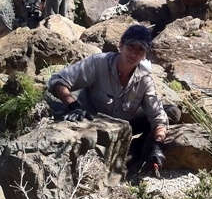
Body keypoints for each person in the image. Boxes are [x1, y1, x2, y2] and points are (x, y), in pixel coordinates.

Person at [48, 24, 181, 172]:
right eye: (131, 47)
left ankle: (135, 151)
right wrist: (73, 106)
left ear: (145, 55)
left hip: (125, 124)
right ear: (120, 45)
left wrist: (157, 144)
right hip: (93, 123)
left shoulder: (144, 80)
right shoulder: (98, 63)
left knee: (172, 113)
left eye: (140, 50)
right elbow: (58, 80)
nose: (134, 54)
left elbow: (157, 117)